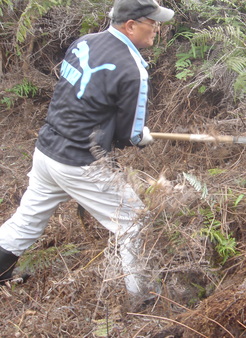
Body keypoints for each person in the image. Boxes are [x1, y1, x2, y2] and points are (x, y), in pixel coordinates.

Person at [0, 0, 174, 300]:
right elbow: (129, 135)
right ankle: (143, 299)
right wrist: (140, 137)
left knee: (27, 219)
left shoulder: (85, 42)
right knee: (134, 223)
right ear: (131, 25)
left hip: (47, 150)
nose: (157, 28)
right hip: (80, 161)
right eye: (152, 22)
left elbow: (76, 97)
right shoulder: (134, 70)